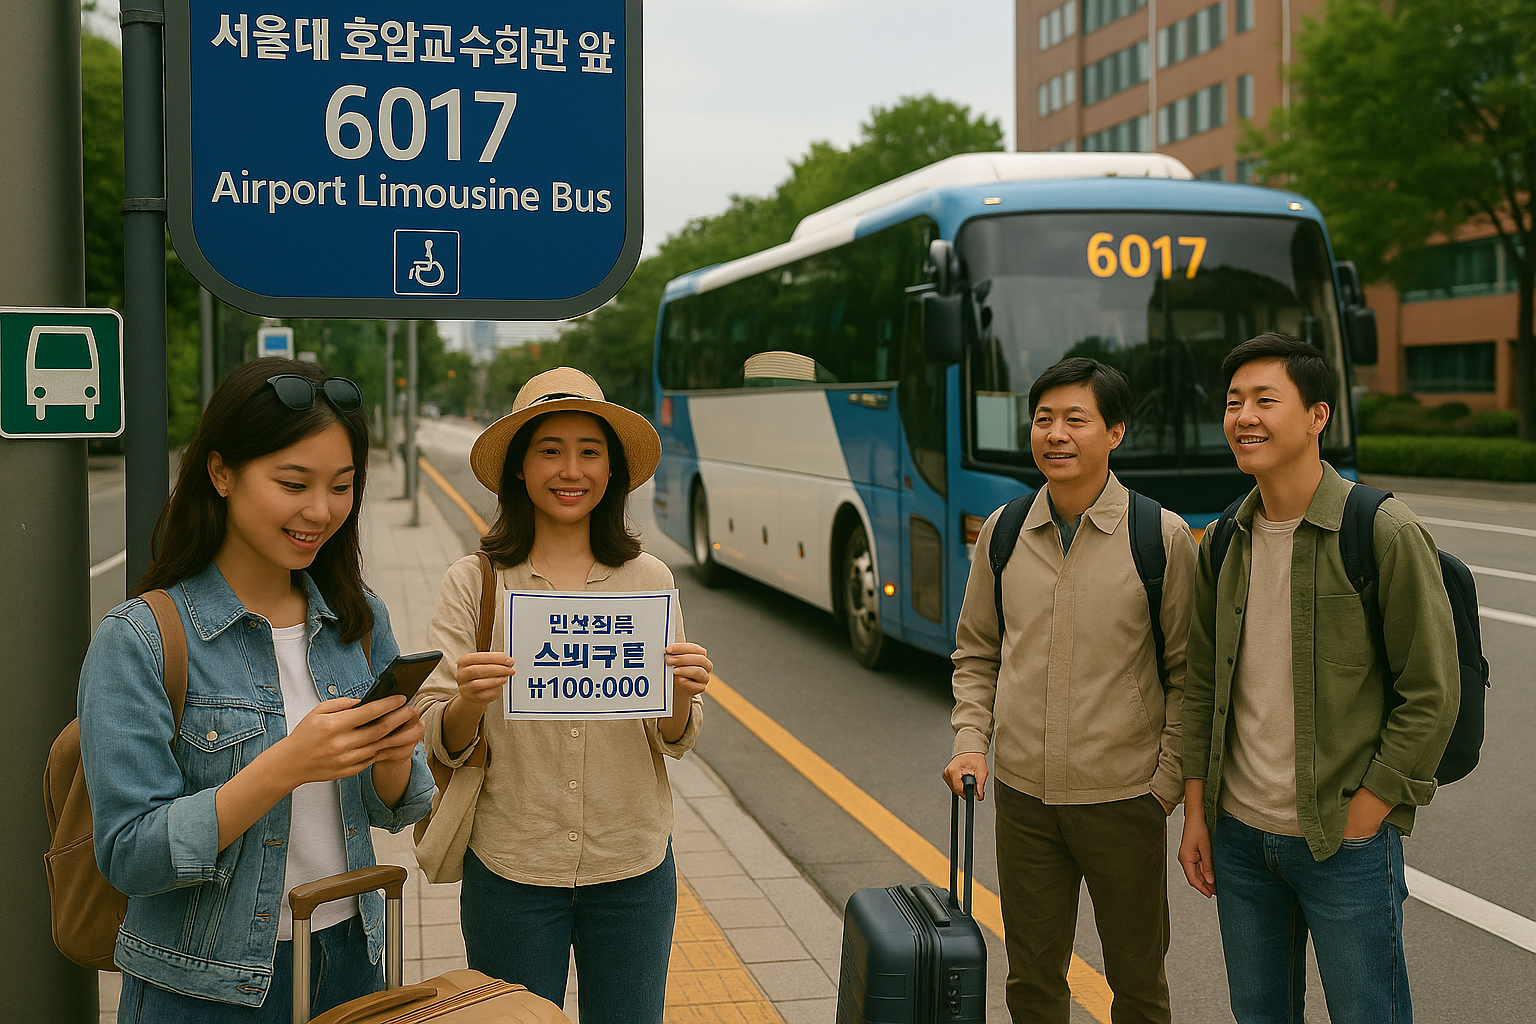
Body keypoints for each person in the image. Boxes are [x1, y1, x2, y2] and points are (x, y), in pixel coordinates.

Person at [78, 358, 435, 1023]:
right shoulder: (143, 639)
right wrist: (285, 767)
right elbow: (130, 855)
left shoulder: (358, 619)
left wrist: (390, 754)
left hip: (351, 958)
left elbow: (396, 807)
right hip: (204, 988)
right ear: (221, 473)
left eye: (342, 486)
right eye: (293, 483)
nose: (319, 510)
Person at [415, 367, 713, 1024]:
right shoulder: (475, 582)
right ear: (519, 467)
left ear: (612, 470)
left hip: (632, 865)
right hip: (512, 868)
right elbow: (438, 733)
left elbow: (675, 737)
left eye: (589, 451)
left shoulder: (649, 577)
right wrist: (469, 700)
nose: (569, 469)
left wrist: (680, 694)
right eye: (549, 450)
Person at [1178, 333, 1459, 1023]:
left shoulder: (1382, 531)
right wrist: (1197, 811)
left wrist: (1370, 809)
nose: (1245, 416)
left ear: (1317, 416)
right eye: (1234, 401)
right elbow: (1203, 687)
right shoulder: (1223, 542)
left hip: (1343, 841)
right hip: (1240, 839)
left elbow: (1431, 692)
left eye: (1265, 400)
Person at [943, 357, 1196, 1024]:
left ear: (1114, 432)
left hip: (1124, 800)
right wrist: (972, 744)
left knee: (1139, 986)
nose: (1055, 434)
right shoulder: (1004, 531)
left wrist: (1163, 787)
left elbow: (1188, 676)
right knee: (1031, 983)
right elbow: (976, 652)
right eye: (1043, 419)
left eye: (1075, 420)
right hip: (1024, 801)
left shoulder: (1159, 537)